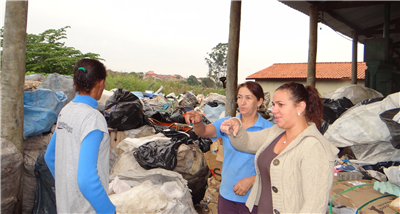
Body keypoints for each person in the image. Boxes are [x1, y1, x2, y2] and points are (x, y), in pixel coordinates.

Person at [220, 82, 339, 214]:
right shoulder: (276, 132)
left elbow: (314, 207)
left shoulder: (314, 147)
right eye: (273, 105)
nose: (273, 110)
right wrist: (236, 125)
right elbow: (246, 142)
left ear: (300, 107)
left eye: (280, 105)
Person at [185, 81, 274, 214]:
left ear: (259, 101)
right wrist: (198, 122)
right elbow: (203, 131)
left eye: (248, 97)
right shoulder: (228, 124)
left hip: (253, 198)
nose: (242, 102)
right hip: (227, 194)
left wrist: (252, 180)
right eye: (239, 97)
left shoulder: (269, 130)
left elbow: (276, 167)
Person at [44, 58, 116, 214]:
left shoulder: (66, 110)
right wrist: (109, 211)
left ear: (76, 83)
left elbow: (50, 157)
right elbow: (87, 180)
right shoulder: (93, 118)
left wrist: (68, 189)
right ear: (101, 83)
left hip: (65, 206)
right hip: (86, 208)